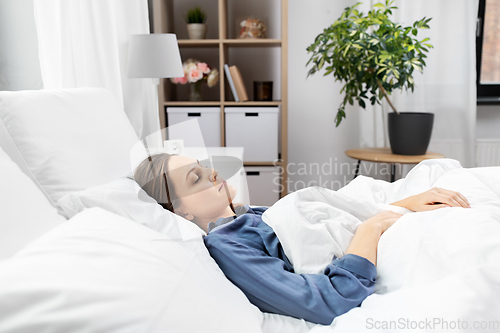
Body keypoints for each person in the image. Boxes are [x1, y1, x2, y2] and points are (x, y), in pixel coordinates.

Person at [134, 153, 470, 325]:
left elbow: (324, 216)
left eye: (202, 166)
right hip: (381, 255)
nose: (213, 173)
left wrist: (396, 205)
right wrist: (370, 229)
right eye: (196, 178)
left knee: (444, 175)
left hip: (386, 226)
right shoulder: (226, 244)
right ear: (180, 212)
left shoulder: (249, 214)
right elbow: (324, 302)